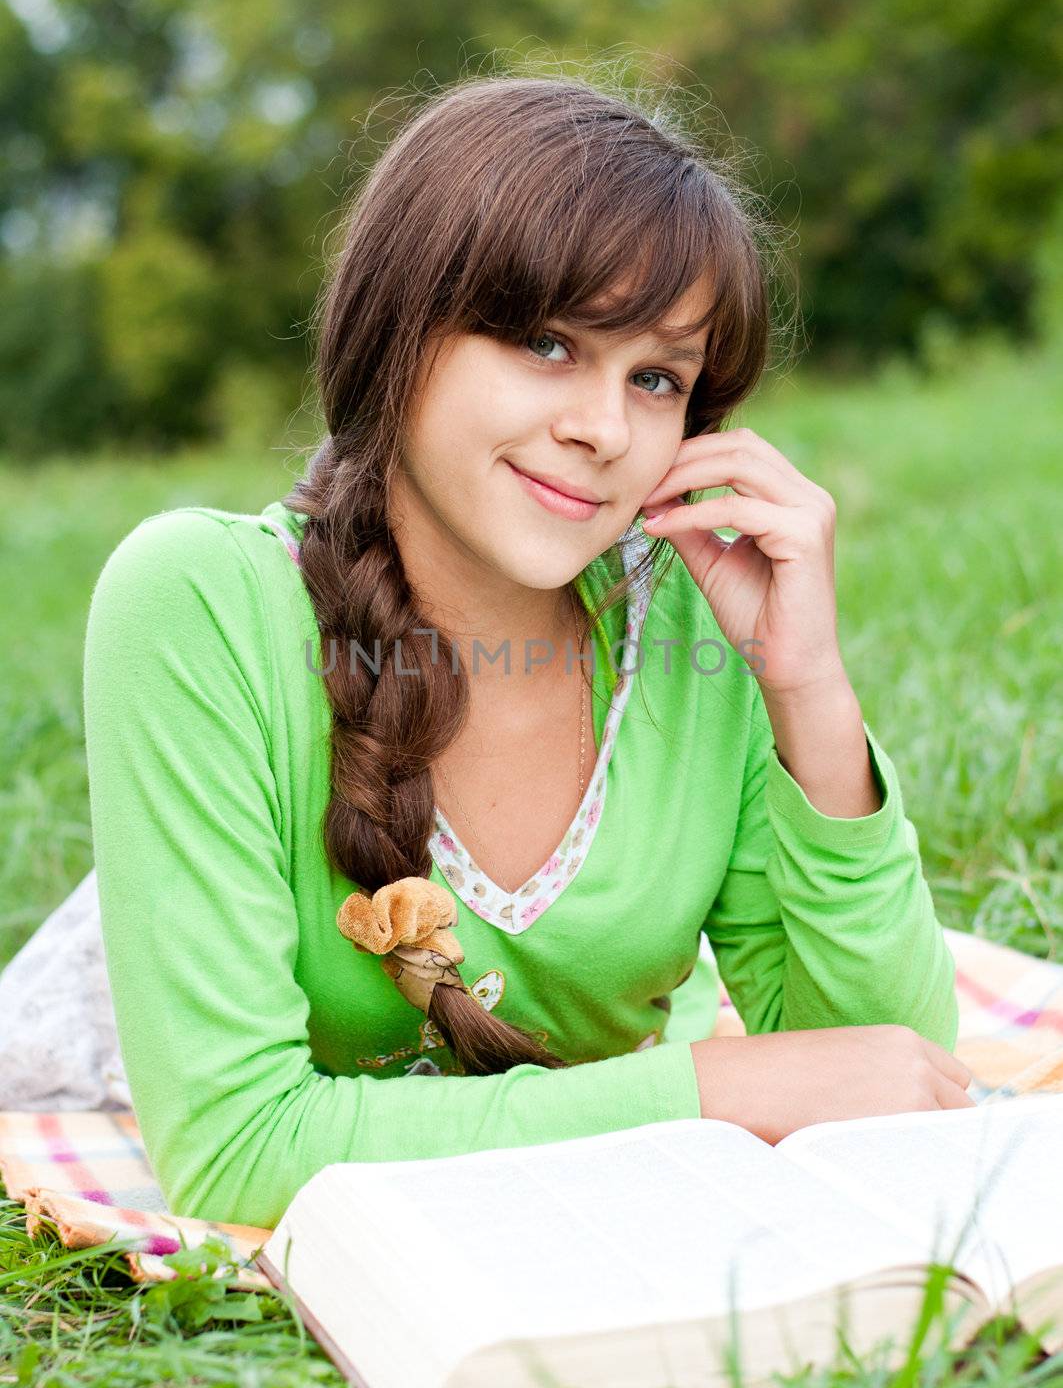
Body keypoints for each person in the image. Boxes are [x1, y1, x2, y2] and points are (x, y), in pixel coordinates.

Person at [81, 71, 973, 1231]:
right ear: (399, 326)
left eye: (656, 377)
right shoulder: (198, 604)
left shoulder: (695, 616)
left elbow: (889, 1078)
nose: (602, 429)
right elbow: (237, 1144)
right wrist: (704, 1090)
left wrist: (804, 689)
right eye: (547, 343)